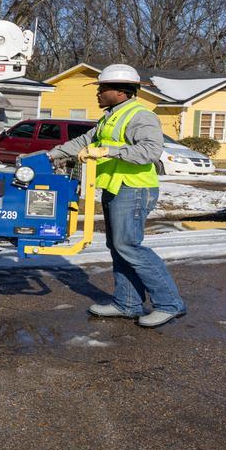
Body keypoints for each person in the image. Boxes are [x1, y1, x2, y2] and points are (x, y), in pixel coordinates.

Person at [45, 64, 186, 328]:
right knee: (119, 248)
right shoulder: (110, 117)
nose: (97, 93)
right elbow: (84, 143)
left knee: (128, 246)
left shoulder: (140, 116)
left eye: (102, 88)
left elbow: (150, 151)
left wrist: (109, 151)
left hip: (134, 187)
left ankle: (170, 304)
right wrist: (49, 155)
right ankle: (128, 303)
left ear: (121, 92)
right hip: (116, 187)